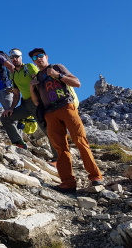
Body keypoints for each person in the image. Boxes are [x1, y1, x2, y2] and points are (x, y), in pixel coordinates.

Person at [28, 48, 103, 193]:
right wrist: (32, 87)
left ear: (46, 56)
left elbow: (77, 83)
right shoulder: (37, 77)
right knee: (60, 148)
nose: (38, 59)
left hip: (66, 107)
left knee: (80, 140)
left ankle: (95, 176)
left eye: (40, 56)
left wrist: (58, 75)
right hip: (49, 113)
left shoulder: (57, 67)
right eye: (35, 57)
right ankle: (68, 182)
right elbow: (37, 102)